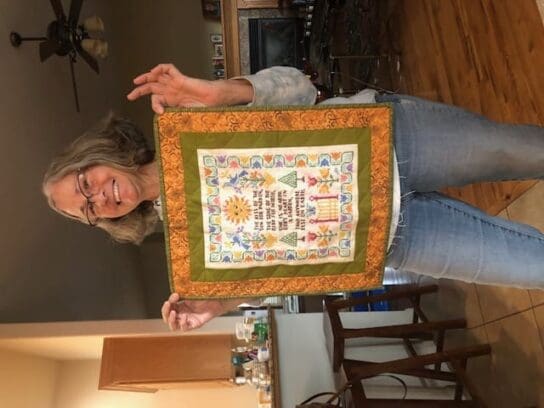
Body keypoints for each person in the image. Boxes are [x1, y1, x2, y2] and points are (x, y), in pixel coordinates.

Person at [43, 63, 544, 331]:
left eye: (85, 182)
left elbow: (300, 89)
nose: (97, 199)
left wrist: (220, 93)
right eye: (88, 211)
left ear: (98, 156)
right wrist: (219, 304)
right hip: (396, 239)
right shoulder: (191, 252)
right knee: (531, 267)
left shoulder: (188, 122)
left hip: (396, 141)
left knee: (523, 151)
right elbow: (281, 270)